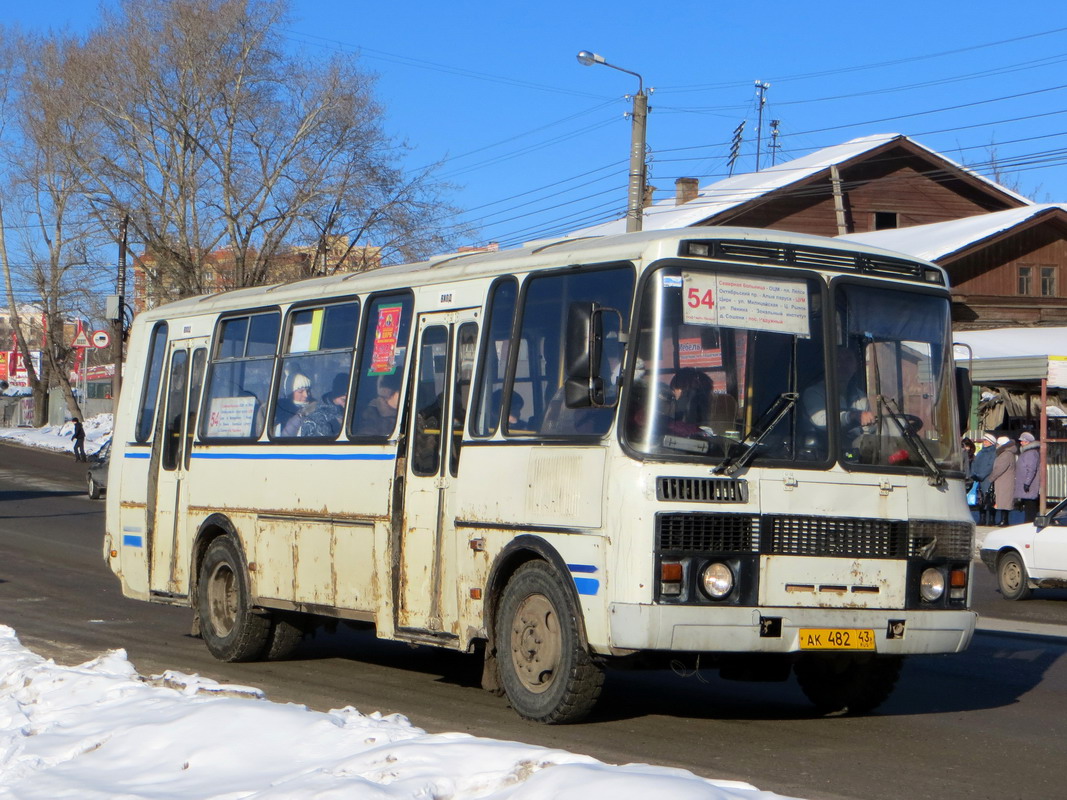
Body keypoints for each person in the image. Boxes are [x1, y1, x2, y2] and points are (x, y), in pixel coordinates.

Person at [802, 347, 875, 445]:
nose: (843, 364)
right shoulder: (813, 392)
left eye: (848, 359)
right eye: (837, 359)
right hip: (823, 452)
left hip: (854, 452)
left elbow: (869, 429)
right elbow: (820, 420)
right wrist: (851, 416)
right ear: (826, 365)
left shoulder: (861, 397)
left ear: (856, 366)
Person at [298, 373, 348, 438]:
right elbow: (308, 441)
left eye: (348, 400)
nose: (345, 405)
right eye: (343, 400)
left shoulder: (352, 410)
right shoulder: (315, 413)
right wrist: (334, 425)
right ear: (335, 396)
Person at [989, 435, 1018, 527]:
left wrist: (991, 478)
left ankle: (1004, 520)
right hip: (1004, 481)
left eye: (998, 444)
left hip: (1004, 481)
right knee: (1004, 501)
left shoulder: (1005, 454)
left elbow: (999, 468)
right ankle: (1003, 519)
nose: (996, 445)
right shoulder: (1008, 453)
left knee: (1004, 501)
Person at [1013, 431, 1042, 523]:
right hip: (1027, 486)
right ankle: (1029, 522)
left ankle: (1030, 523)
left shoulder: (1031, 453)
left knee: (1030, 507)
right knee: (1028, 506)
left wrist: (1027, 483)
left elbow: (1031, 469)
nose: (1021, 443)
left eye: (1023, 441)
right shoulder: (1028, 452)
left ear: (1028, 442)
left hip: (1029, 486)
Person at [970, 432, 998, 525]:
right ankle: (982, 518)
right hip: (979, 479)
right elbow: (975, 463)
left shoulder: (993, 453)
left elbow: (990, 466)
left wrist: (981, 475)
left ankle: (991, 519)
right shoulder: (981, 452)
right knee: (980, 499)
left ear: (991, 442)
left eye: (986, 441)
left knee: (989, 499)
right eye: (984, 441)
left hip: (987, 479)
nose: (984, 442)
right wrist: (974, 473)